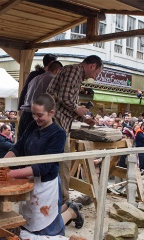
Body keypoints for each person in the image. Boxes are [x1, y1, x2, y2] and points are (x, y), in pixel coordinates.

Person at [0, 94, 83, 238]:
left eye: (40, 115)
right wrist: (3, 164)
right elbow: (18, 147)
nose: (36, 118)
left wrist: (10, 174)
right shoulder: (33, 125)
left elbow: (42, 168)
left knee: (46, 228)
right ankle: (70, 210)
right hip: (29, 178)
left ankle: (71, 212)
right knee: (30, 222)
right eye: (33, 114)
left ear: (51, 112)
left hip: (46, 184)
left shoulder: (58, 134)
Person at [46, 55, 102, 203]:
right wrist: (78, 108)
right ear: (92, 66)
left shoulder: (75, 73)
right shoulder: (74, 71)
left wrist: (84, 118)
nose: (94, 78)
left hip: (59, 119)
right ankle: (63, 201)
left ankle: (56, 197)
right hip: (56, 119)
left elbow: (66, 104)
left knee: (59, 161)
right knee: (64, 161)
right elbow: (65, 98)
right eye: (96, 74)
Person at [18, 61, 63, 139]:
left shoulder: (35, 78)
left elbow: (24, 93)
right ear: (58, 71)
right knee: (34, 145)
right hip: (36, 115)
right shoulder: (52, 80)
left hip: (25, 114)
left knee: (21, 143)